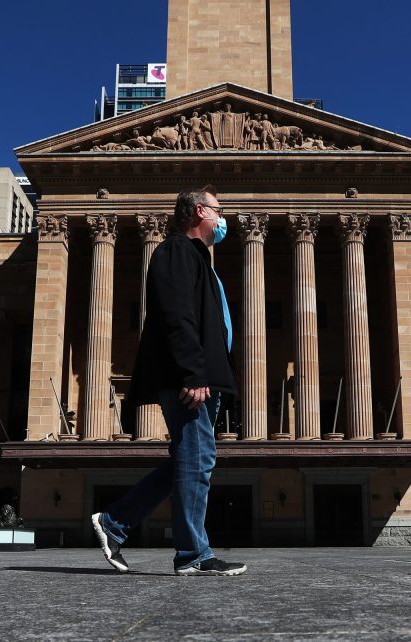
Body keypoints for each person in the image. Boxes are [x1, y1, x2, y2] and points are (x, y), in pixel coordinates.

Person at [91, 185, 246, 577]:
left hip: (200, 378)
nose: (222, 218)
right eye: (218, 209)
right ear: (199, 211)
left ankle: (115, 523)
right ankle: (193, 554)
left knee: (190, 460)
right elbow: (177, 317)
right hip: (190, 379)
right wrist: (194, 373)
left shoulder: (196, 258)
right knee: (196, 461)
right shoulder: (177, 252)